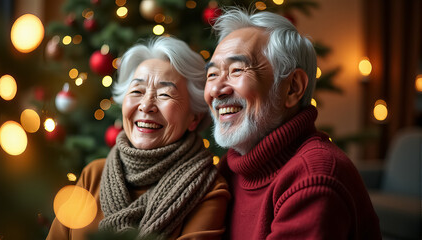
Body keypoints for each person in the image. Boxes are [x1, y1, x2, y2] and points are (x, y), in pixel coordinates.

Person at [204, 8, 382, 239]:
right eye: (212, 75)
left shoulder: (314, 179)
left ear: (293, 88)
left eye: (237, 70)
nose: (217, 90)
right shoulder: (228, 170)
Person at [47, 36, 230, 240]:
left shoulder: (209, 190)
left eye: (164, 94)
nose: (145, 105)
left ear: (194, 117)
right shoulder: (93, 175)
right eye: (136, 91)